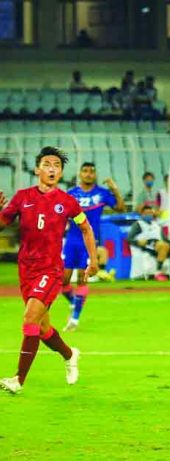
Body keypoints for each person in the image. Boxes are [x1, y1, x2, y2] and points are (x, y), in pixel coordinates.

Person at [0, 147, 96, 394]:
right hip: (26, 271)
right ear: (37, 169)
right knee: (42, 329)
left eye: (57, 165)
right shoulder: (22, 197)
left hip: (51, 271)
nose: (52, 169)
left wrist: (92, 260)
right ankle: (69, 354)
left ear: (61, 172)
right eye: (47, 164)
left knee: (30, 319)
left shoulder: (67, 202)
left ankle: (18, 380)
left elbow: (86, 229)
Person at [61, 162, 124, 331]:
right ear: (80, 174)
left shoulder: (102, 194)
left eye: (92, 171)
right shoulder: (71, 194)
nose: (89, 174)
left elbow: (120, 208)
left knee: (83, 277)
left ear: (95, 175)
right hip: (71, 241)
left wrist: (115, 190)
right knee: (62, 280)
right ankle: (75, 303)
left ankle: (74, 319)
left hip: (89, 241)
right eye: (85, 171)